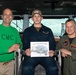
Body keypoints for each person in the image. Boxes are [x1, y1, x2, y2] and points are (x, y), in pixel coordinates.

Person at [22, 9, 58, 75]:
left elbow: (52, 43)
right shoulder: (27, 31)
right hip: (32, 55)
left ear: (42, 18)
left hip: (46, 55)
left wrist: (52, 50)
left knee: (53, 68)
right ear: (32, 18)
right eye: (35, 16)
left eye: (38, 16)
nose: (37, 18)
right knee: (26, 68)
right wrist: (26, 49)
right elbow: (25, 43)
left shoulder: (48, 30)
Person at [0, 8, 22, 75]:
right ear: (2, 16)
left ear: (12, 17)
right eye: (5, 14)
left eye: (10, 15)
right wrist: (8, 49)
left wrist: (18, 45)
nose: (7, 16)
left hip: (11, 65)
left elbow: (20, 44)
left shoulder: (15, 31)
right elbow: (9, 49)